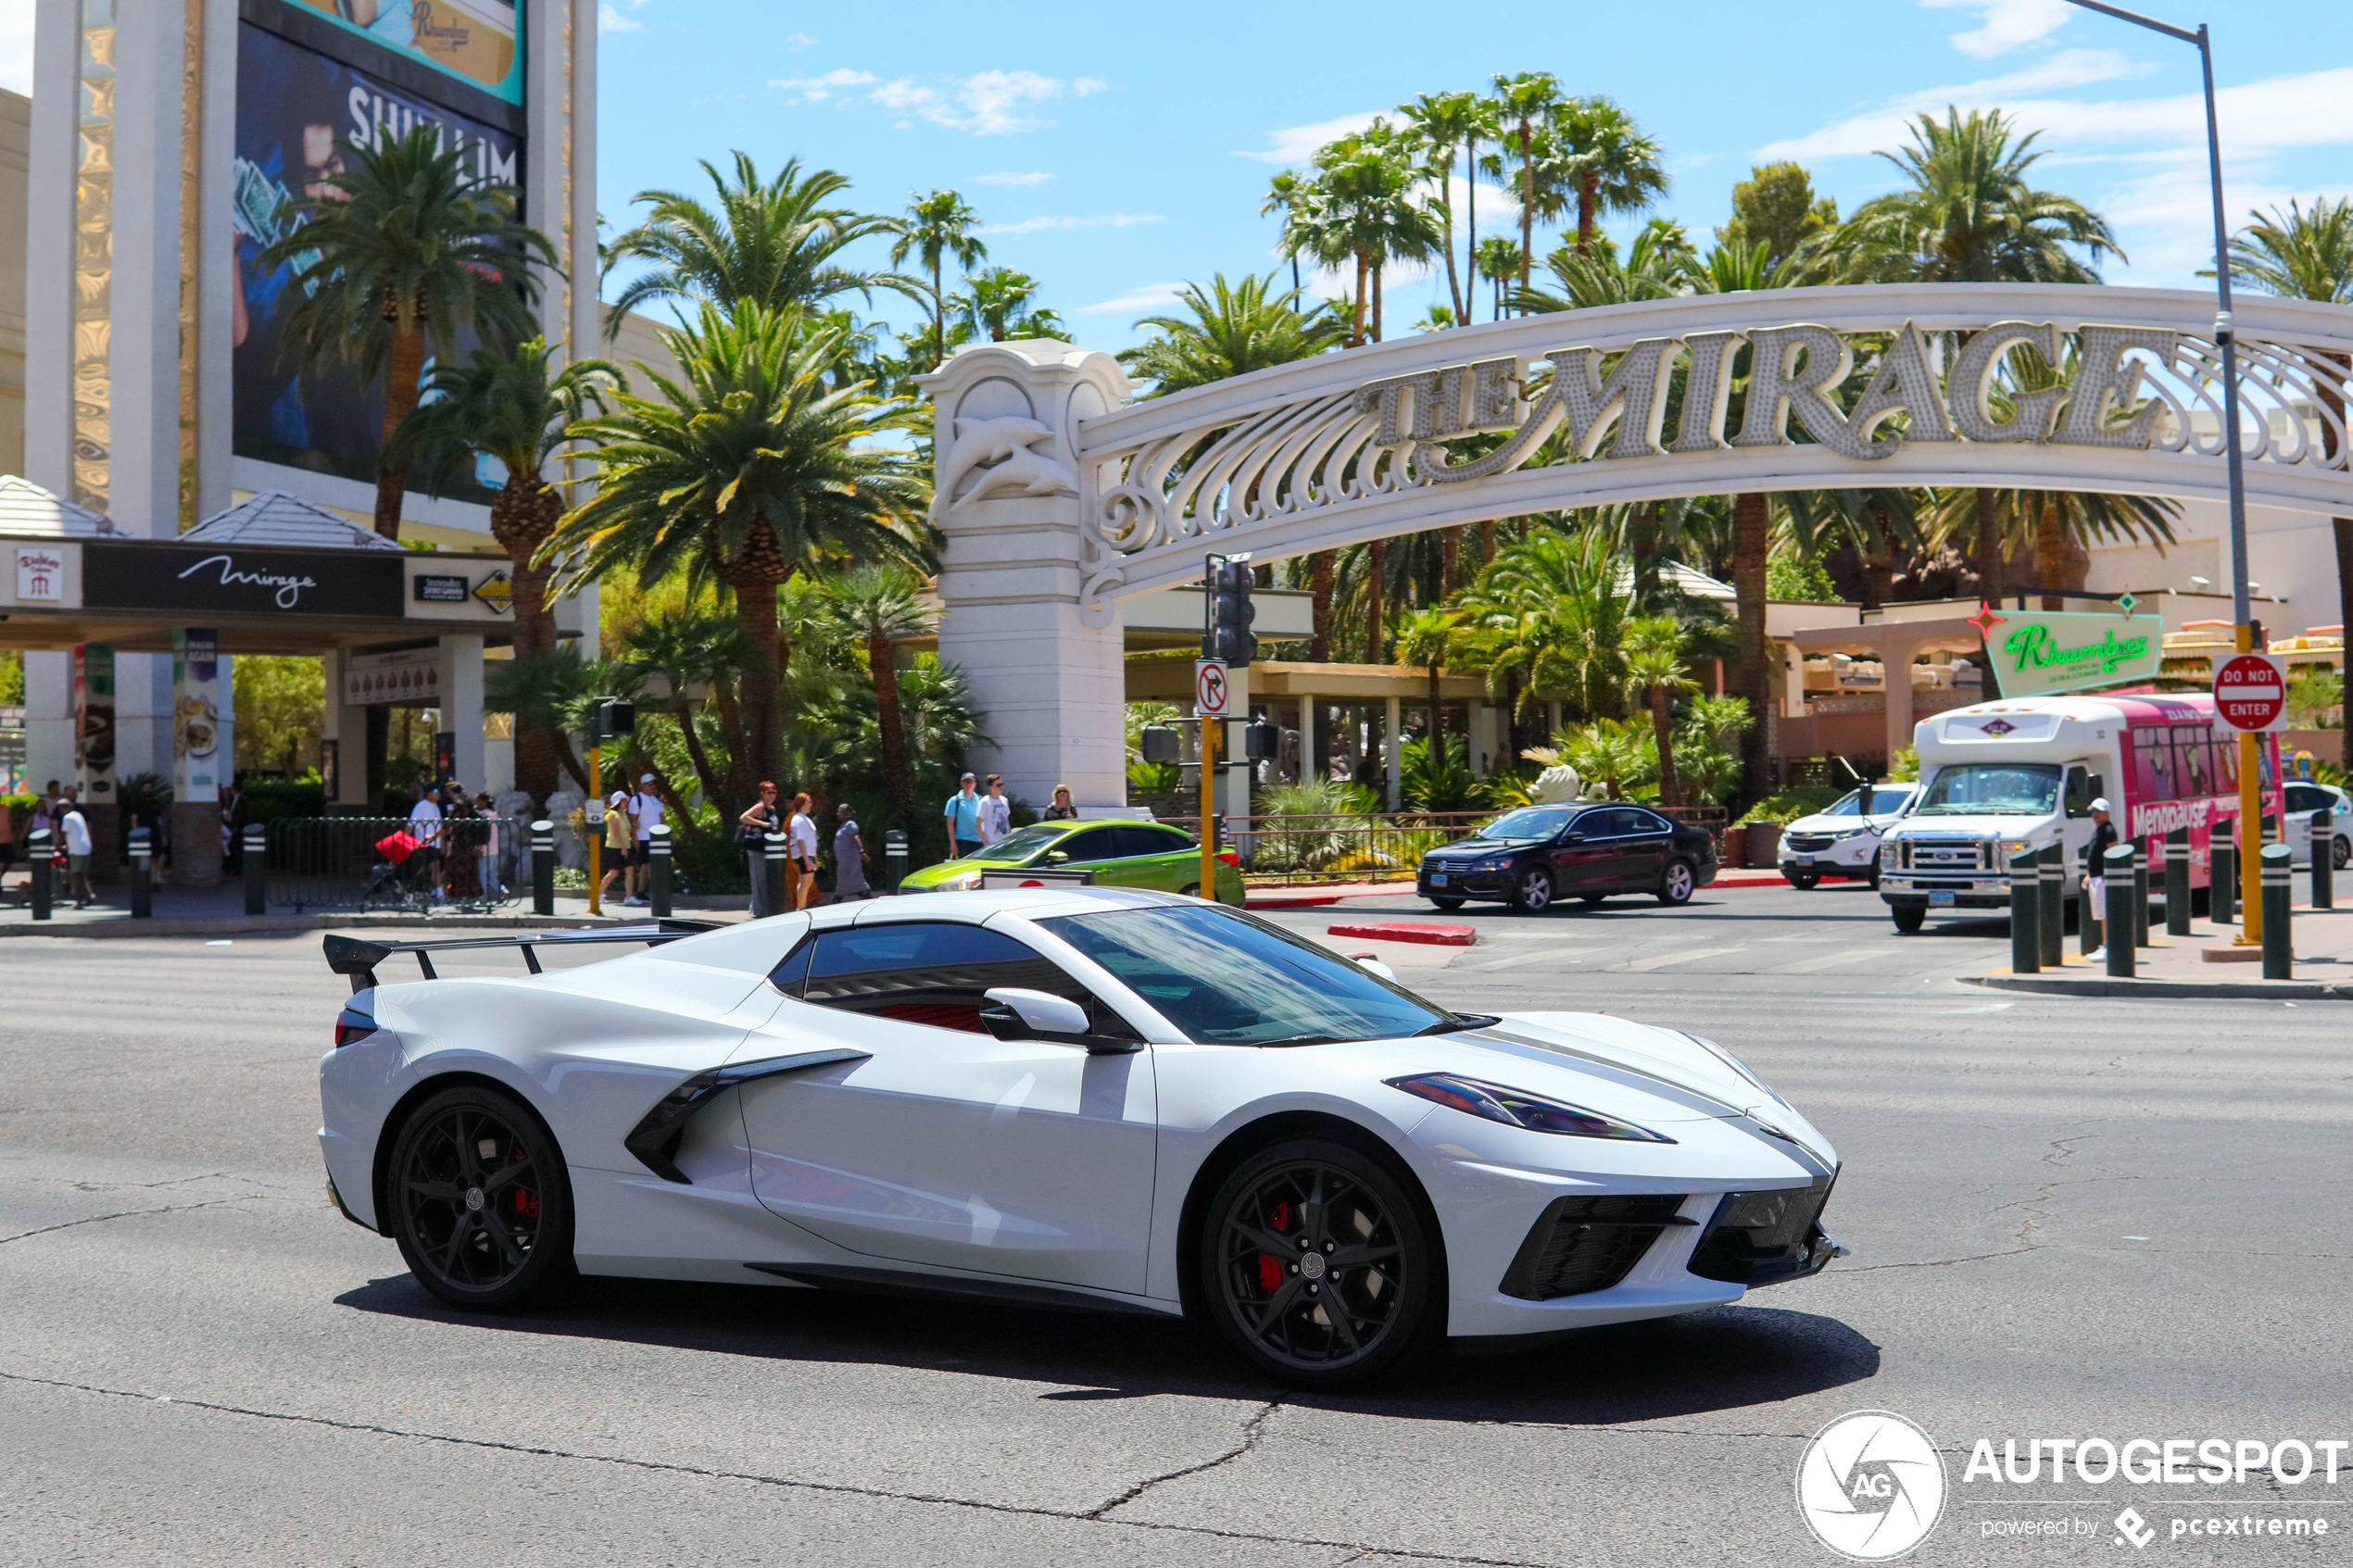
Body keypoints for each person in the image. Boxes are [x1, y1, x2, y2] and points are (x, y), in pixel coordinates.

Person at [2082, 798, 2119, 960]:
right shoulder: (2099, 830)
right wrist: (2089, 874)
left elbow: (2114, 854)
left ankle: (2109, 947)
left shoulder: (2108, 830)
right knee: (2100, 914)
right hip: (2096, 877)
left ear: (2107, 813)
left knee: (2105, 914)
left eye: (2098, 811)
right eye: (2093, 811)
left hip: (2102, 879)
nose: (2095, 815)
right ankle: (2104, 944)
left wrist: (2107, 874)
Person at [739, 781, 782, 916]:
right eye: (768, 792)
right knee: (758, 879)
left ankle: (762, 908)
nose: (771, 795)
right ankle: (758, 910)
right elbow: (744, 817)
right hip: (756, 848)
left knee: (766, 879)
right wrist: (761, 823)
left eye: (774, 792)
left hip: (769, 849)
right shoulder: (760, 807)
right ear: (762, 793)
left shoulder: (772, 808)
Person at [625, 773, 664, 908]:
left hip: (657, 838)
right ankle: (641, 891)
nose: (652, 786)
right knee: (644, 865)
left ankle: (652, 890)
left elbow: (661, 817)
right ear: (642, 785)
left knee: (652, 865)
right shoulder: (637, 800)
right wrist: (635, 838)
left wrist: (669, 833)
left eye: (654, 784)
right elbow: (633, 821)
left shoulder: (656, 800)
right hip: (643, 837)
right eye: (649, 784)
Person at [407, 780, 445, 898]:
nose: (439, 794)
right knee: (432, 867)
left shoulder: (436, 807)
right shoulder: (421, 806)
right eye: (436, 791)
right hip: (425, 842)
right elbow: (411, 824)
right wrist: (404, 840)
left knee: (433, 867)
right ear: (428, 793)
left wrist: (442, 842)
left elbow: (439, 826)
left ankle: (436, 891)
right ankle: (438, 892)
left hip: (435, 843)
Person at [60, 787, 95, 909]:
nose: (60, 811)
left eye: (60, 808)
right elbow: (76, 833)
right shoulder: (78, 815)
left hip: (77, 850)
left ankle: (78, 899)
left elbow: (63, 834)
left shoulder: (67, 817)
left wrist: (58, 846)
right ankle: (90, 895)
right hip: (85, 847)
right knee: (81, 874)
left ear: (64, 808)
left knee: (75, 874)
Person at [598, 788, 633, 908]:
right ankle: (599, 894)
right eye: (624, 801)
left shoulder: (624, 815)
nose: (626, 803)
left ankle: (629, 897)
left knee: (630, 870)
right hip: (614, 847)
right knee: (614, 872)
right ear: (618, 802)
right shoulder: (612, 815)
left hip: (626, 846)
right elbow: (616, 833)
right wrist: (623, 848)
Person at [787, 792, 821, 911]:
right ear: (801, 804)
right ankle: (800, 908)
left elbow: (811, 840)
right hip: (803, 854)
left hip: (809, 853)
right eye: (808, 802)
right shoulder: (797, 819)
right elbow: (800, 840)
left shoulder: (805, 819)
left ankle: (800, 906)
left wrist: (815, 859)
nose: (810, 805)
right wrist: (807, 859)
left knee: (805, 881)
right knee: (806, 881)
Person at [832, 802, 870, 902]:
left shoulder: (850, 824)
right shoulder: (844, 825)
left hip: (850, 860)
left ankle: (837, 899)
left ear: (847, 814)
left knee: (851, 879)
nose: (838, 814)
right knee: (852, 880)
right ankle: (864, 894)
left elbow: (856, 838)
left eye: (840, 812)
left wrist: (862, 851)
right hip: (844, 860)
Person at [943, 773, 983, 859]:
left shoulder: (980, 800)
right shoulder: (954, 801)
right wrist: (953, 844)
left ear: (975, 784)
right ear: (962, 784)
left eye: (971, 782)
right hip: (964, 843)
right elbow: (950, 824)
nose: (968, 785)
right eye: (966, 782)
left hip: (981, 842)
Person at [472, 793, 504, 899]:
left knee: (482, 874)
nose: (476, 803)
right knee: (492, 874)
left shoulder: (482, 816)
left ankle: (483, 899)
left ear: (484, 801)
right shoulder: (494, 814)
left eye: (478, 800)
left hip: (485, 848)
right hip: (494, 848)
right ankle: (502, 890)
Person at [978, 773, 1012, 846]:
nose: (1001, 787)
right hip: (992, 844)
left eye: (1002, 784)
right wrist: (986, 844)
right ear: (990, 787)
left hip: (1005, 843)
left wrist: (1009, 839)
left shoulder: (1005, 800)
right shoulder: (985, 802)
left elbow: (1007, 821)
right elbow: (978, 825)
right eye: (998, 785)